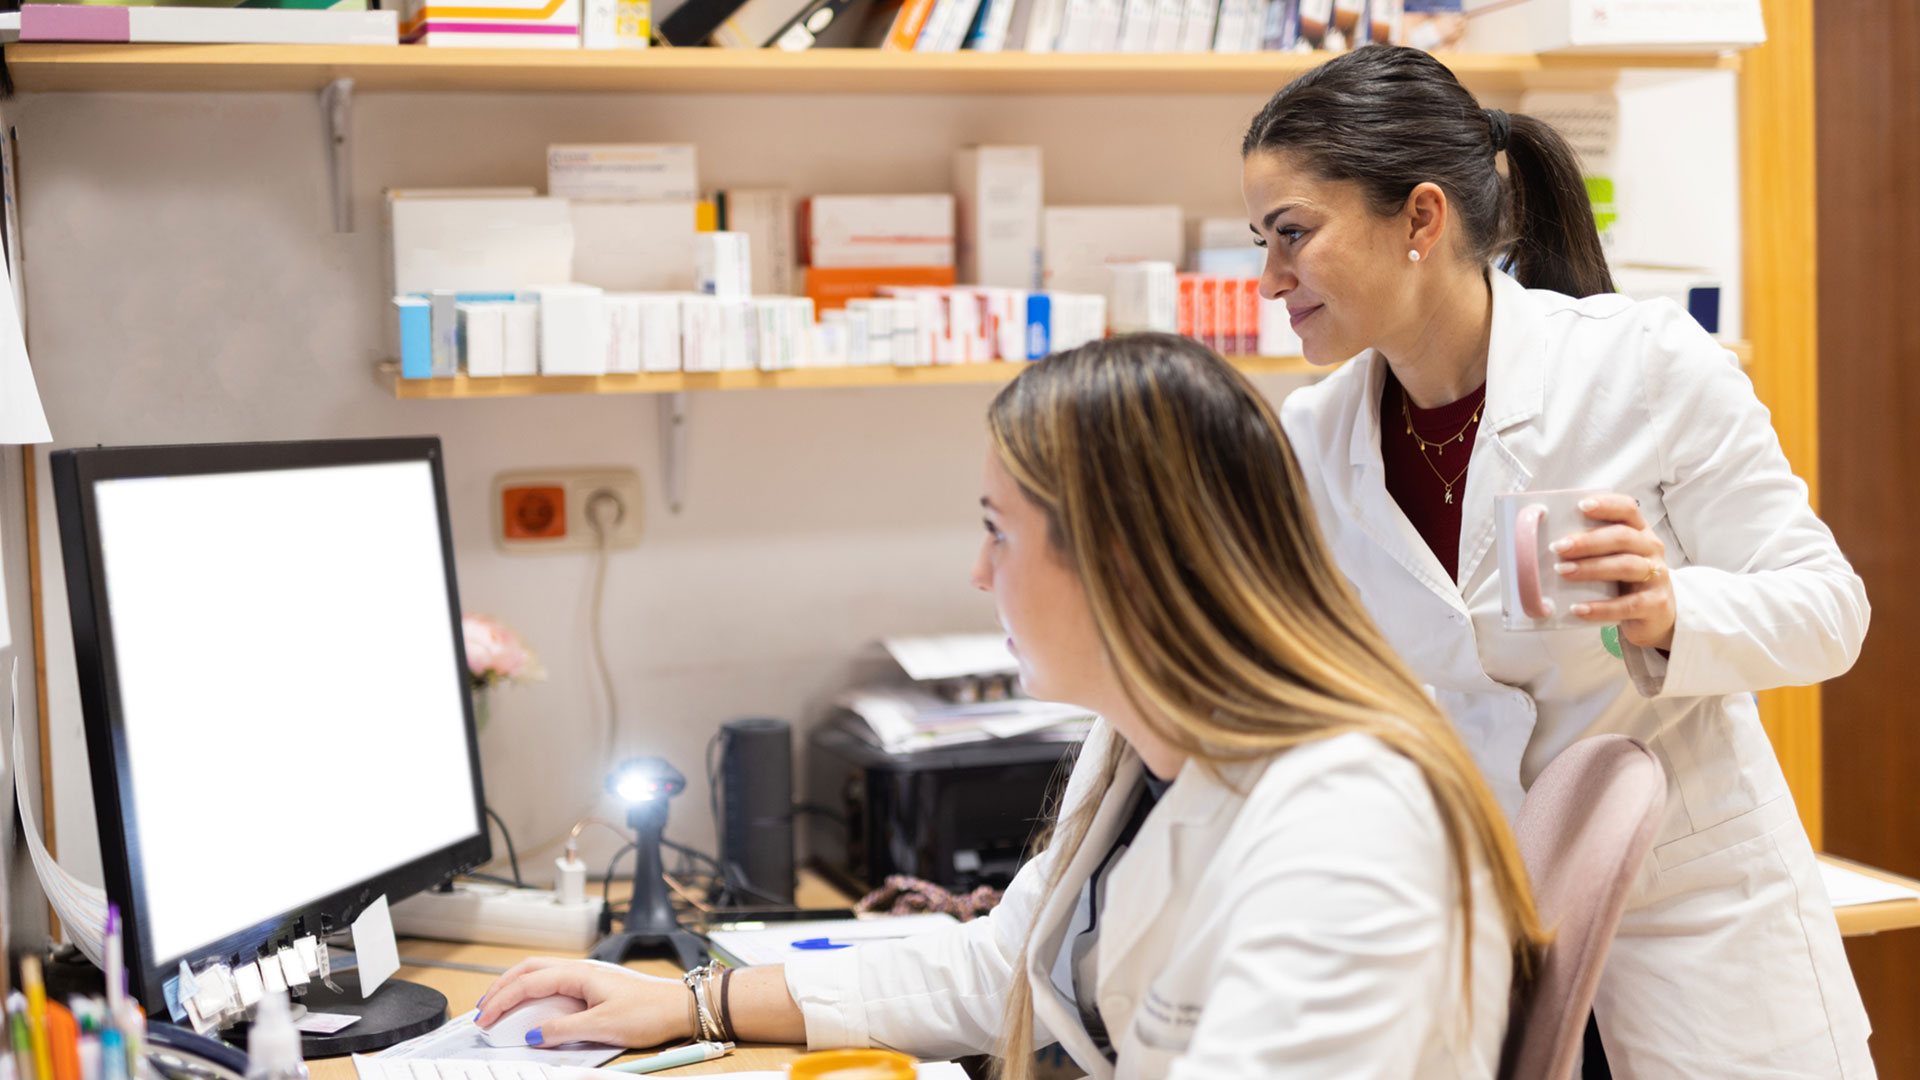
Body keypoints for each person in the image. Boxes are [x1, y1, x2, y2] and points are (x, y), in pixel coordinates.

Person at [473, 335, 1544, 1079]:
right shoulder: (1145, 745)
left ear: (1120, 560)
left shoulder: (1346, 838)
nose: (978, 576)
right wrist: (696, 1004)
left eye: (998, 529)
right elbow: (1002, 966)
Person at [1241, 44, 1873, 1078]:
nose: (1269, 278)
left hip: (1692, 932)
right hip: (1483, 945)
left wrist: (1673, 610)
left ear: (1422, 219)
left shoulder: (1647, 366)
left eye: (1292, 236)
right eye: (1261, 241)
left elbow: (1829, 609)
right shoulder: (1313, 439)